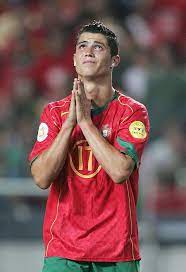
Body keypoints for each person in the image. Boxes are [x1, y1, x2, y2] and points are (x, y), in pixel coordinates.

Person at [29, 21, 150, 272]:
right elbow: (41, 178)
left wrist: (85, 123)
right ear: (74, 59)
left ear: (114, 60)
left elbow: (119, 171)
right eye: (83, 46)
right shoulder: (55, 112)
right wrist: (68, 125)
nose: (88, 51)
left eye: (98, 47)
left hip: (117, 250)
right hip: (64, 250)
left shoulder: (132, 112)